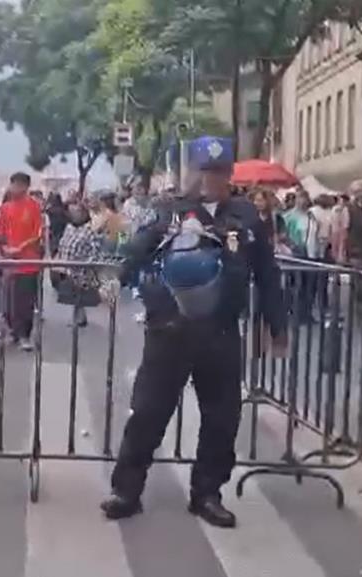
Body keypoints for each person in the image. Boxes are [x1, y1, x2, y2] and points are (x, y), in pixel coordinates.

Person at [101, 136, 286, 528]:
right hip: (170, 329)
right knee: (149, 412)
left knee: (221, 418)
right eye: (203, 170)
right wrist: (116, 280)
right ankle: (127, 490)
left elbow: (267, 274)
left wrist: (277, 324)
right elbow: (138, 249)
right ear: (191, 171)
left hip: (219, 333)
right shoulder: (169, 210)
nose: (209, 180)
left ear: (229, 174)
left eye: (218, 172)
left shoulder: (246, 216)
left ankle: (207, 493)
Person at [0, 172, 43, 351]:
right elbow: (0, 233)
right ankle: (13, 332)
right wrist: (5, 249)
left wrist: (21, 248)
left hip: (28, 263)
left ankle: (24, 335)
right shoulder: (5, 208)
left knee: (25, 302)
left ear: (24, 187)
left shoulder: (33, 207)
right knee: (9, 302)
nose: (13, 188)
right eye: (11, 184)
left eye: (16, 185)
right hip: (9, 263)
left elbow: (38, 234)